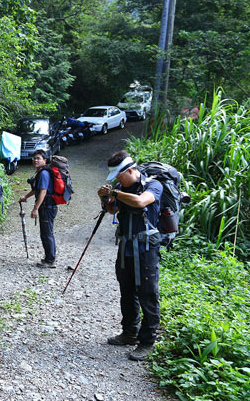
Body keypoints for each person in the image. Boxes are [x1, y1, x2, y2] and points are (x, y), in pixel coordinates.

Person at [98, 150, 163, 361]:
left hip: (146, 248)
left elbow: (140, 202)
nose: (117, 180)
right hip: (126, 246)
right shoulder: (120, 187)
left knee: (147, 294)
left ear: (130, 170)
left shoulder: (153, 185)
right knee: (126, 291)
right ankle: (129, 333)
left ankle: (147, 342)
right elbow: (112, 210)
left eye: (119, 175)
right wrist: (105, 199)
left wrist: (115, 193)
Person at [18, 150, 58, 268]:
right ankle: (49, 258)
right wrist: (25, 197)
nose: (35, 160)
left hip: (47, 207)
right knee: (46, 232)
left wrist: (35, 208)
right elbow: (37, 189)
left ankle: (50, 260)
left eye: (38, 158)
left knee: (47, 233)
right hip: (47, 206)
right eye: (34, 158)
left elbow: (43, 191)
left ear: (45, 160)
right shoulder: (41, 172)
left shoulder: (44, 174)